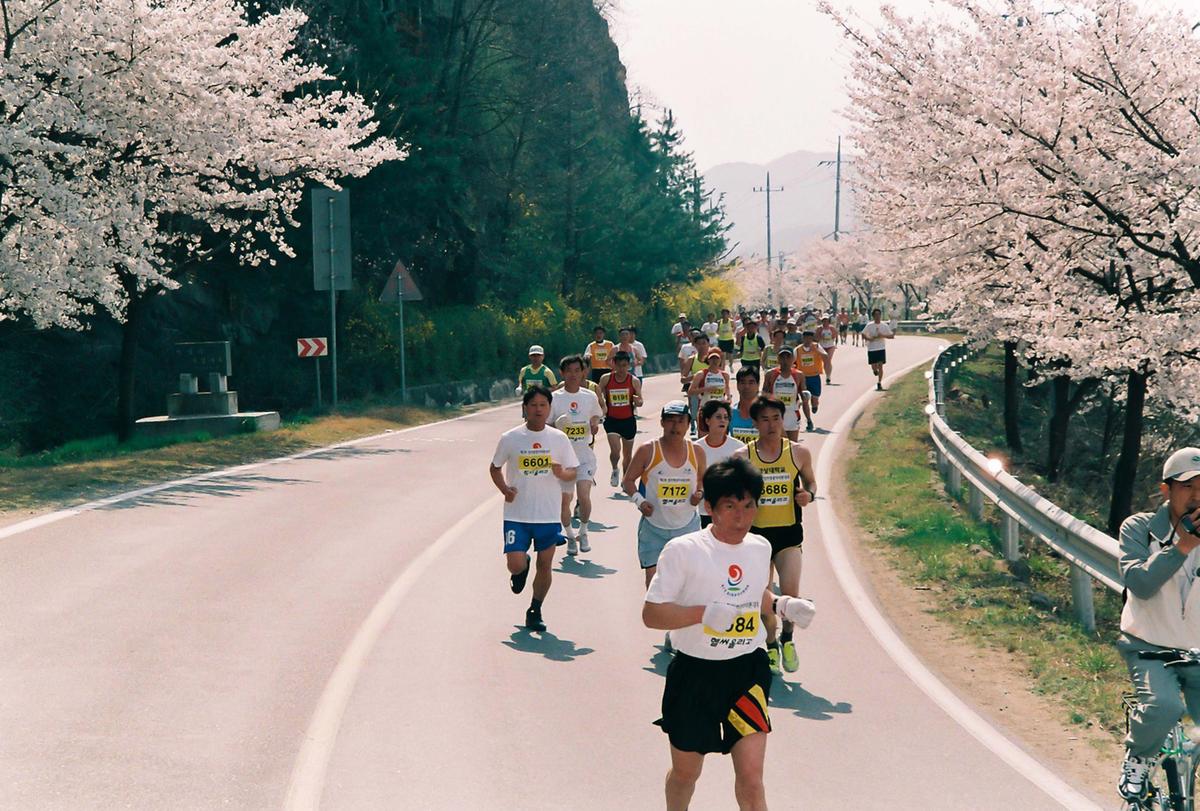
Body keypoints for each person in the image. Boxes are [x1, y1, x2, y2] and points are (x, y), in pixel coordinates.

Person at [643, 457, 816, 811]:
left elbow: (756, 595)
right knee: (685, 774)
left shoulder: (759, 548)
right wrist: (703, 614)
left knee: (752, 780)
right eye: (731, 506)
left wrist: (782, 605)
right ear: (710, 507)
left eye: (749, 505)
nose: (742, 516)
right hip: (694, 675)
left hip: (746, 674)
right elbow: (652, 614)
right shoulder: (683, 551)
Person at [1116, 448, 1200, 801]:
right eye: (1187, 487)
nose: (1197, 497)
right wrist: (1182, 547)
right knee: (1165, 706)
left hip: (1197, 650)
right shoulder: (1139, 528)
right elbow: (1140, 583)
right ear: (1166, 491)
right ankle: (1138, 756)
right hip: (1148, 646)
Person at [735, 396, 816, 675]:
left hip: (789, 534)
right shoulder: (743, 457)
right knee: (764, 598)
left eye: (776, 419)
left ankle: (788, 639)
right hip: (755, 537)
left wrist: (809, 494)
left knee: (790, 596)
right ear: (755, 423)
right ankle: (770, 644)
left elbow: (811, 482)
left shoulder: (798, 453)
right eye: (765, 420)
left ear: (784, 420)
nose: (771, 425)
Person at [489, 386, 578, 632]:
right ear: (525, 408)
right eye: (533, 405)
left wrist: (563, 473)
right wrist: (505, 489)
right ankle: (522, 566)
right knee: (515, 565)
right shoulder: (510, 438)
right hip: (517, 513)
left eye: (543, 405)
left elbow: (573, 471)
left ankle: (535, 609)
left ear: (549, 409)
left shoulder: (559, 439)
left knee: (546, 565)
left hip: (547, 514)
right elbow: (495, 468)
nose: (538, 410)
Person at [623, 400, 706, 587]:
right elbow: (628, 481)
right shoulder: (648, 450)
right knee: (653, 582)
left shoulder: (697, 452)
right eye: (670, 420)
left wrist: (699, 493)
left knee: (687, 582)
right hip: (654, 527)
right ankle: (655, 614)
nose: (675, 426)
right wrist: (640, 502)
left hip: (686, 527)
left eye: (680, 421)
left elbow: (701, 480)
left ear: (688, 424)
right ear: (661, 423)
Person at [551, 355, 604, 557]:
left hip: (584, 456)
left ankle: (583, 531)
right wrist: (557, 427)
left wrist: (594, 423)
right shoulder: (555, 399)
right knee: (565, 500)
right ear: (562, 373)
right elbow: (545, 425)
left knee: (583, 496)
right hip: (563, 459)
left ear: (584, 372)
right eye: (569, 371)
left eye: (577, 370)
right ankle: (570, 536)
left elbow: (597, 414)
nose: (573, 375)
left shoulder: (589, 396)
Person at [694, 401, 745, 529]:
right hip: (704, 511)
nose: (722, 421)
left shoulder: (739, 448)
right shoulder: (696, 448)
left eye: (726, 417)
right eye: (718, 417)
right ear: (707, 420)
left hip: (731, 510)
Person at [600, 351, 644, 487]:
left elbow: (641, 401)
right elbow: (598, 394)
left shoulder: (634, 381)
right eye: (619, 366)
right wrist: (601, 403)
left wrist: (638, 401)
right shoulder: (606, 379)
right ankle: (614, 469)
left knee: (627, 454)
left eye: (624, 366)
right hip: (612, 420)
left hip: (628, 421)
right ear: (614, 365)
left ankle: (626, 480)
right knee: (615, 451)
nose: (621, 369)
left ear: (629, 365)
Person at [762, 347, 805, 440]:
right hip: (776, 415)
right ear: (778, 358)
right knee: (777, 445)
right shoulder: (770, 374)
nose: (785, 360)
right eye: (782, 357)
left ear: (793, 359)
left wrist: (807, 400)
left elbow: (804, 394)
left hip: (792, 414)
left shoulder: (799, 375)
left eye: (788, 357)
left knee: (792, 446)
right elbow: (763, 395)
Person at [687, 350, 731, 438]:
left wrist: (728, 398)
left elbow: (727, 388)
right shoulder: (701, 374)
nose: (715, 361)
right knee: (703, 438)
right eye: (712, 359)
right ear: (708, 360)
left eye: (717, 359)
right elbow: (690, 391)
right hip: (705, 409)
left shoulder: (724, 375)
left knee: (721, 437)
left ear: (720, 360)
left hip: (720, 411)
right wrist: (706, 389)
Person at [679, 331, 712, 437]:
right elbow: (683, 379)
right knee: (698, 417)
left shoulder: (715, 358)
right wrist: (697, 376)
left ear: (708, 343)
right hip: (696, 394)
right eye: (699, 344)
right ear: (695, 345)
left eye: (704, 343)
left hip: (712, 393)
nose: (702, 346)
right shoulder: (692, 360)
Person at [795, 331, 829, 428]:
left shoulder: (817, 346)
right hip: (803, 378)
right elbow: (792, 361)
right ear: (803, 338)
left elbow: (826, 357)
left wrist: (818, 351)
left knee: (814, 399)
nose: (808, 340)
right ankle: (809, 421)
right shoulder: (798, 349)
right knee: (805, 400)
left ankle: (815, 405)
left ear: (812, 338)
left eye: (810, 338)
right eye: (806, 338)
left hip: (814, 377)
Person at [862, 308, 896, 391]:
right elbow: (863, 334)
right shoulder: (869, 325)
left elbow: (891, 336)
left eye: (879, 315)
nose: (877, 317)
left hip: (881, 348)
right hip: (872, 348)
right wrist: (869, 338)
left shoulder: (884, 325)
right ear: (873, 316)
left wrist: (882, 335)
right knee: (874, 366)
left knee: (880, 365)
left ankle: (879, 382)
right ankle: (874, 370)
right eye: (876, 315)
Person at [729, 367, 761, 446]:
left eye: (751, 382)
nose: (746, 386)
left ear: (758, 385)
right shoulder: (729, 413)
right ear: (737, 385)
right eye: (742, 382)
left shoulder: (767, 413)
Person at [816, 316, 838, 383]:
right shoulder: (819, 328)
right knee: (825, 361)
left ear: (829, 321)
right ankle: (827, 373)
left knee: (828, 360)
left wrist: (832, 337)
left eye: (826, 321)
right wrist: (820, 337)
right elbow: (816, 338)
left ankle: (828, 376)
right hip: (822, 346)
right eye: (824, 321)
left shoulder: (832, 328)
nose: (825, 322)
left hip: (830, 346)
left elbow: (835, 336)